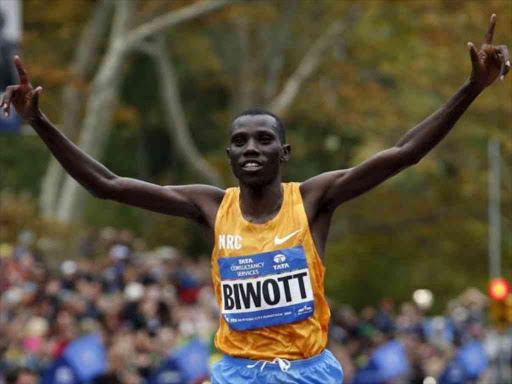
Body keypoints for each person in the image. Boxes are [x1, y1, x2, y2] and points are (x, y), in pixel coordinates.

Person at [1, 14, 509, 384]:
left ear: (283, 152)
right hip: (236, 373)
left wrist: (471, 88)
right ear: (227, 154)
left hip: (309, 372)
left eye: (263, 139)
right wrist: (40, 122)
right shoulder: (208, 206)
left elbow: (403, 153)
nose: (251, 148)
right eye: (240, 141)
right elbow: (105, 185)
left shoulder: (313, 199)